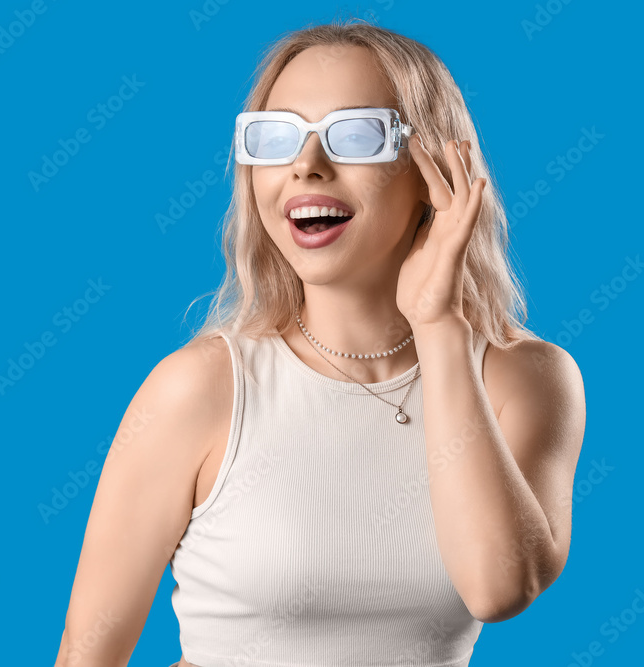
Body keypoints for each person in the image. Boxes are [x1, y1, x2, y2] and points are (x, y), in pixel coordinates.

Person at [54, 19, 586, 667]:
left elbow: (500, 587)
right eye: (276, 139)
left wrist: (438, 323)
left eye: (356, 134)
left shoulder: (527, 378)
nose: (307, 166)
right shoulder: (196, 389)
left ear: (436, 170)